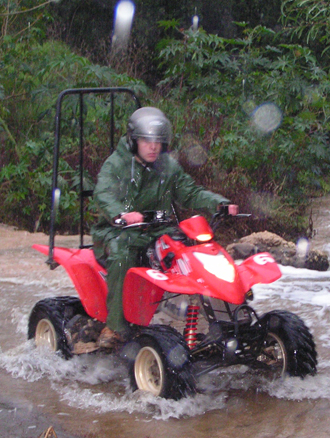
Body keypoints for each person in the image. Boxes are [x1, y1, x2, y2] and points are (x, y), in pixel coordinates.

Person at [91, 106, 236, 348]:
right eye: (147, 141)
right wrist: (122, 214)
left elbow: (190, 192)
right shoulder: (116, 165)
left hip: (157, 229)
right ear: (134, 140)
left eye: (158, 141)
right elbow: (103, 193)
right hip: (117, 232)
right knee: (122, 254)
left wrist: (219, 203)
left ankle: (213, 319)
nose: (153, 147)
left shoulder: (167, 166)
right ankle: (115, 327)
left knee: (194, 251)